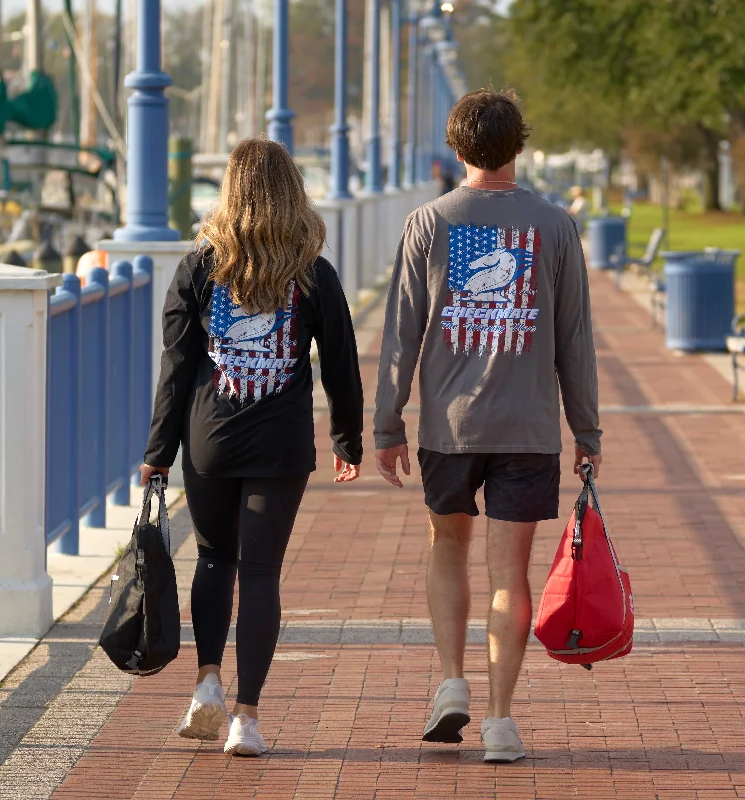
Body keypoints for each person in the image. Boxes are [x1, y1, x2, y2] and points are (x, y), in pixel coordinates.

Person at [373, 89, 602, 763]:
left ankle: (451, 681)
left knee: (448, 545)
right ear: (518, 146)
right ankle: (501, 721)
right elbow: (575, 341)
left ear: (456, 148)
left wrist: (386, 422)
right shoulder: (555, 226)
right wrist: (587, 432)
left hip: (450, 426)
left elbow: (400, 332)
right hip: (528, 427)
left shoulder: (428, 223)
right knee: (512, 573)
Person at [140, 138, 364, 757]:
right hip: (281, 442)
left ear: (230, 192)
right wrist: (348, 439)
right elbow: (341, 364)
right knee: (261, 571)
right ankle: (246, 718)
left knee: (214, 558)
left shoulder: (201, 266)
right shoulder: (312, 272)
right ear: (293, 192)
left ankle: (207, 683)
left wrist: (158, 450)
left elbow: (177, 367)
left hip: (209, 437)